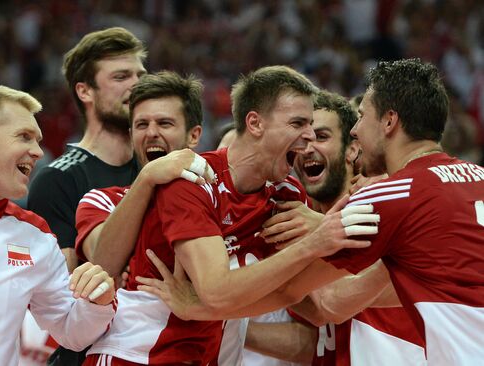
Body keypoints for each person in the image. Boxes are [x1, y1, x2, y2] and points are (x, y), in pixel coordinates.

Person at [142, 59, 484, 365]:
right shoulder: (478, 179)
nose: (355, 129)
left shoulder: (391, 195)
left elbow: (326, 301)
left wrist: (198, 308)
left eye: (362, 115)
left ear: (390, 121)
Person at [86, 65, 378, 365]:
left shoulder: (286, 194)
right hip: (137, 354)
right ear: (255, 123)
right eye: (298, 124)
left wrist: (388, 255)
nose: (308, 137)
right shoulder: (192, 180)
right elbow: (216, 291)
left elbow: (314, 302)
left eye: (312, 126)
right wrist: (313, 244)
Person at [0, 86, 117, 366]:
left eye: (38, 140)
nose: (38, 152)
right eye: (24, 137)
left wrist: (99, 303)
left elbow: (70, 331)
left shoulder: (36, 234)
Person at [247, 90, 425, 366]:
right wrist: (227, 324)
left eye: (321, 136)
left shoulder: (383, 198)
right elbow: (316, 340)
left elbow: (329, 305)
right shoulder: (292, 228)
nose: (307, 148)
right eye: (301, 139)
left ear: (352, 149)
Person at [26, 27, 146, 365]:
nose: (136, 84)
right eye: (121, 76)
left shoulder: (157, 167)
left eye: (141, 74)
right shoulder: (58, 179)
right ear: (85, 91)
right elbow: (62, 295)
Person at [75, 71, 211, 278]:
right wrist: (147, 177)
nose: (151, 133)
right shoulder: (102, 201)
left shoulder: (218, 197)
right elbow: (103, 267)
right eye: (142, 125)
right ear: (131, 136)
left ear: (193, 136)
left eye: (165, 123)